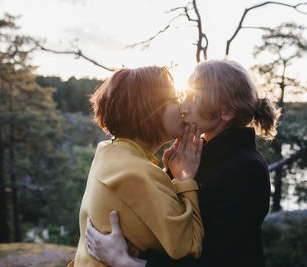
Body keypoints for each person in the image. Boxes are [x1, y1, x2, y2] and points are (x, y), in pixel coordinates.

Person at [86, 59, 280, 267]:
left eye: (193, 98)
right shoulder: (194, 154)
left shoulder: (248, 169)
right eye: (183, 95)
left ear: (226, 111)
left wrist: (124, 261)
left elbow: (221, 258)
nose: (183, 107)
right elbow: (165, 221)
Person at [68, 66, 205, 267]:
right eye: (174, 100)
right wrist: (184, 180)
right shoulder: (136, 173)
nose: (182, 108)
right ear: (150, 110)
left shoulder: (109, 153)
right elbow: (189, 246)